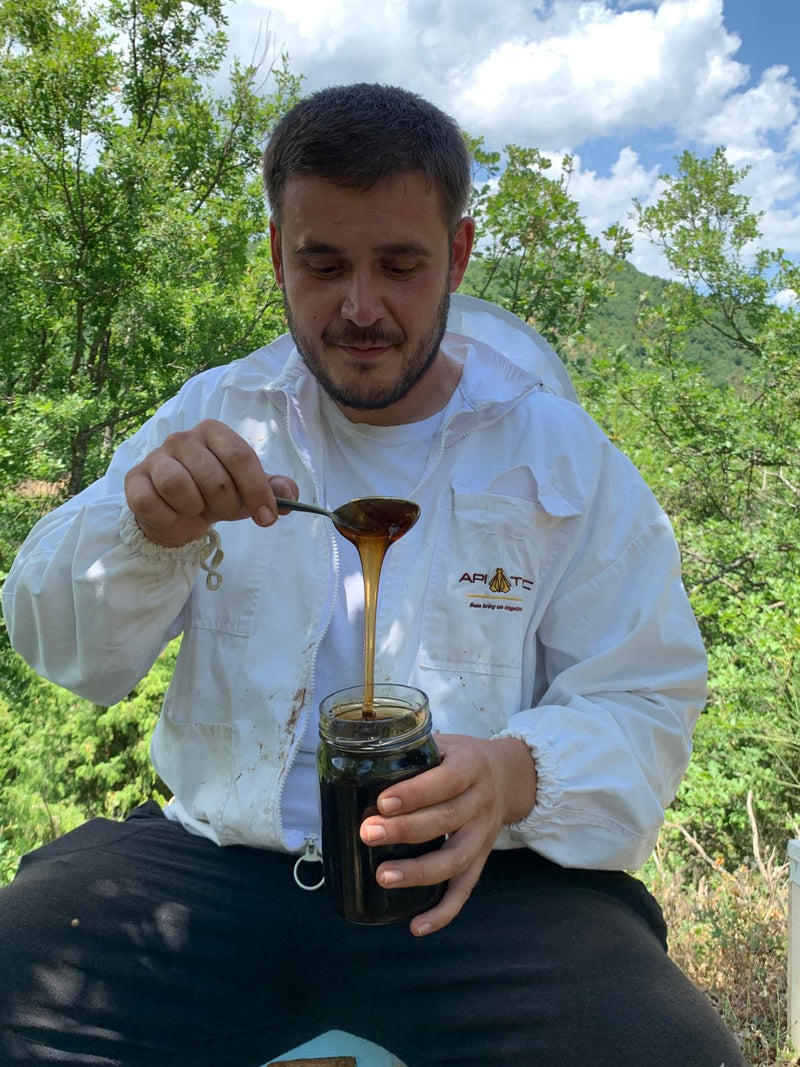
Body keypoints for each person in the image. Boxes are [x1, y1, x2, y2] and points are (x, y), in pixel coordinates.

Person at [0, 83, 744, 1067]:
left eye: (399, 264)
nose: (361, 307)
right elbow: (59, 647)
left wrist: (518, 772)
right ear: (275, 254)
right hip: (216, 864)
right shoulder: (215, 414)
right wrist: (140, 526)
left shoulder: (560, 456)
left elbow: (645, 691)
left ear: (459, 256)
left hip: (487, 886)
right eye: (321, 264)